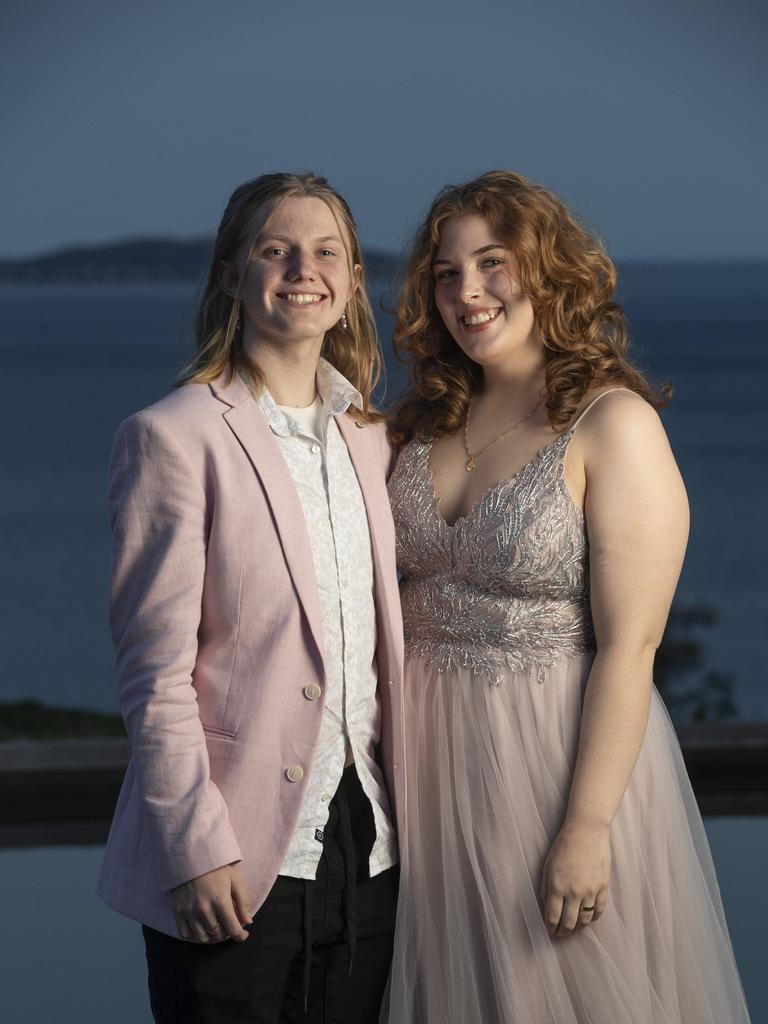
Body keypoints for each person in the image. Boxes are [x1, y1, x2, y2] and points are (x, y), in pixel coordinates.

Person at [383, 170, 751, 1022]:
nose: (466, 291)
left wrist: (586, 829)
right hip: (427, 769)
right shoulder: (419, 425)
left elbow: (632, 646)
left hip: (556, 767)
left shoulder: (613, 424)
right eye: (445, 273)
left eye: (492, 263)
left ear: (549, 271)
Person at [97, 172, 404, 1023]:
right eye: (276, 249)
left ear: (348, 287)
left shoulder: (375, 442)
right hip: (231, 862)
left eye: (326, 252)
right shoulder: (172, 436)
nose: (303, 268)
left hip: (369, 855)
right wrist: (194, 851)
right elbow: (153, 677)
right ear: (233, 274)